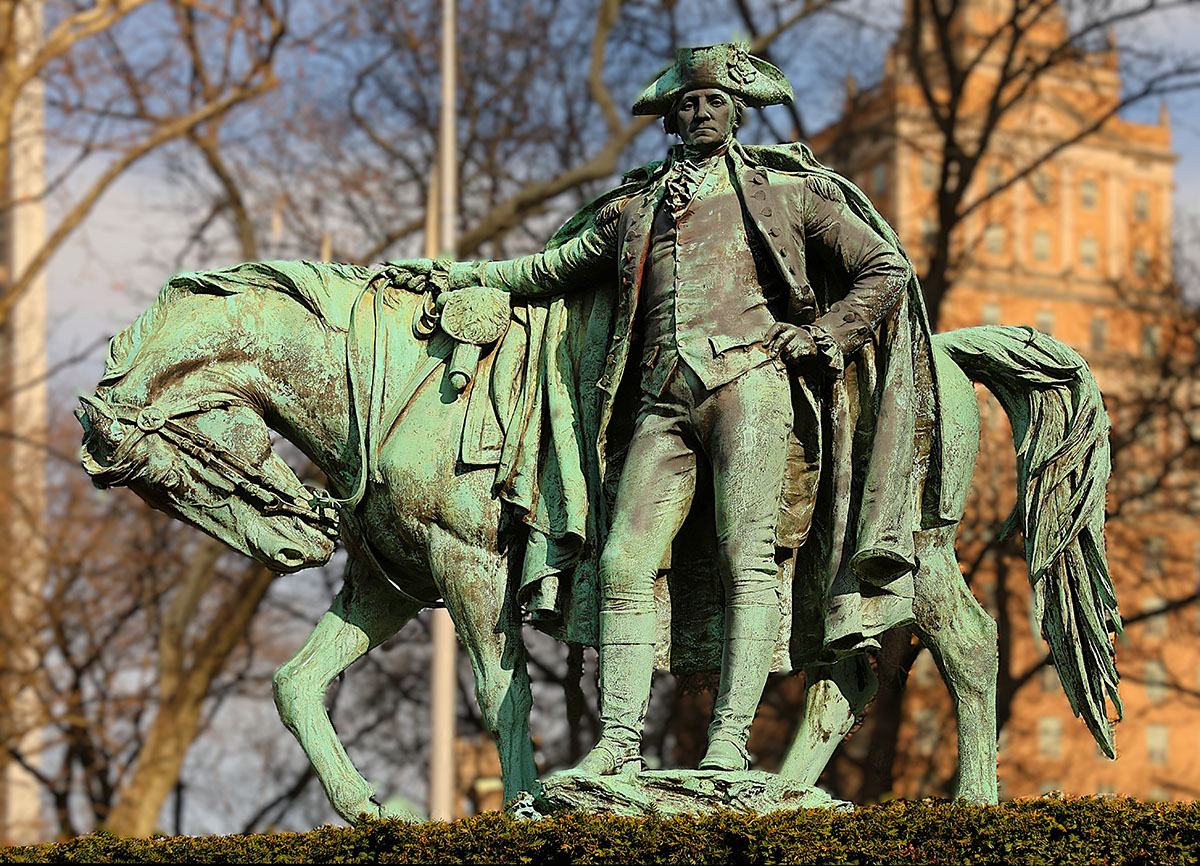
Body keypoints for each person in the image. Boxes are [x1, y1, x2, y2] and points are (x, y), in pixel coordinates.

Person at [394, 43, 937, 774]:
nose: (701, 111)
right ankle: (619, 741)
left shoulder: (787, 193)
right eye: (688, 102)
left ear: (737, 113)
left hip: (750, 383)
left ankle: (729, 742)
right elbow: (548, 269)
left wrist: (824, 335)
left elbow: (884, 267)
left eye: (715, 100)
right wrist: (458, 275)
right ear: (671, 119)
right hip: (660, 399)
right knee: (623, 563)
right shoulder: (635, 209)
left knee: (748, 561)